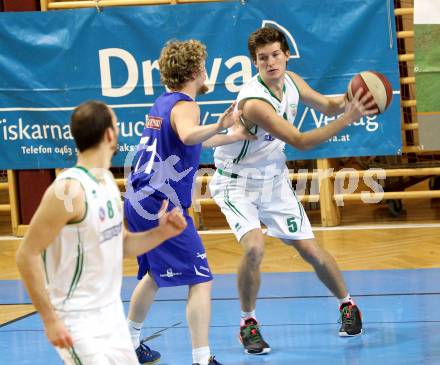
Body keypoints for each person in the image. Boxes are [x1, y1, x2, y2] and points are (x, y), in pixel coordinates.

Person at [209, 27, 378, 355]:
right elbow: (300, 141)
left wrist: (352, 97)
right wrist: (349, 118)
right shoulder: (254, 101)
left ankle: (348, 305)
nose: (270, 63)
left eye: (275, 55)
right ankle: (248, 323)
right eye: (262, 59)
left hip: (273, 180)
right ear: (255, 63)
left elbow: (329, 106)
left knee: (311, 251)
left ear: (286, 55)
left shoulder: (292, 81)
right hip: (236, 182)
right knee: (255, 248)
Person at [15, 100, 187, 365]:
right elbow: (26, 254)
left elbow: (122, 246)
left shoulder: (106, 181)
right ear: (110, 134)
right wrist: (50, 319)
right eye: (116, 125)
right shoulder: (68, 190)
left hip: (111, 316)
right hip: (76, 320)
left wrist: (162, 233)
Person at [124, 39, 253, 365]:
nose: (207, 71)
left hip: (138, 198)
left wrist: (232, 136)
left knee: (153, 275)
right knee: (201, 279)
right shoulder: (186, 105)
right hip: (160, 204)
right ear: (196, 71)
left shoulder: (163, 103)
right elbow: (187, 135)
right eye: (205, 65)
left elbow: (194, 137)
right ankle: (201, 359)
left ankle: (128, 345)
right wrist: (222, 123)